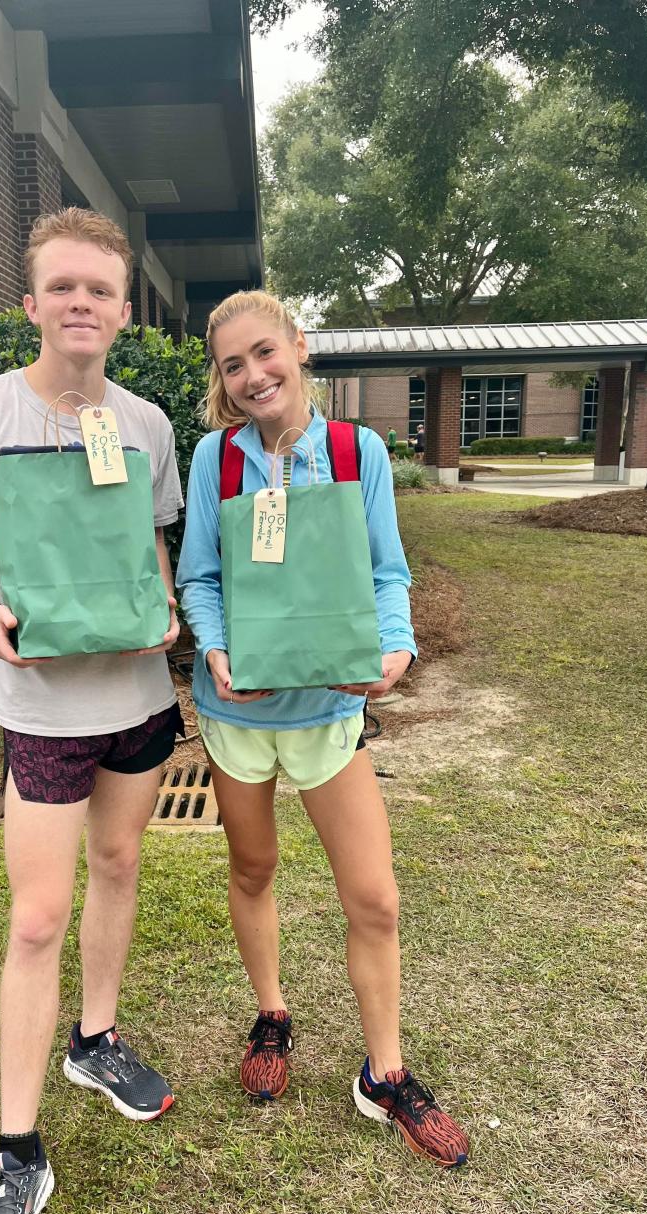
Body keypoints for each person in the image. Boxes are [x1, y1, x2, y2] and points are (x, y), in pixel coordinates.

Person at [0, 207, 184, 1214]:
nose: (81, 304)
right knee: (36, 917)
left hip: (138, 697)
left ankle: (95, 1039)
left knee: (120, 864)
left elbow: (148, 540)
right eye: (61, 286)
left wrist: (163, 604)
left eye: (100, 290)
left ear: (122, 311)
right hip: (41, 711)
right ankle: (18, 1149)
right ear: (32, 304)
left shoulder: (148, 422)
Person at [176, 290, 469, 1168]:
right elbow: (200, 578)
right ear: (223, 381)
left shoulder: (357, 450)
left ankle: (385, 1072)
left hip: (331, 712)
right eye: (233, 365)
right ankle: (272, 1014)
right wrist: (217, 649)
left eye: (265, 353)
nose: (253, 375)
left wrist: (397, 648)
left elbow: (387, 571)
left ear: (299, 348)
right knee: (254, 866)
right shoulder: (215, 460)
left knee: (373, 897)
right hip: (239, 712)